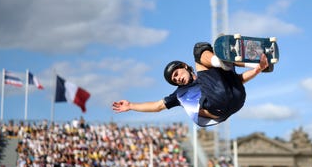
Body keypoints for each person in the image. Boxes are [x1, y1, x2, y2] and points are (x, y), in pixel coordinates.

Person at [112, 42, 269, 126]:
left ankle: (240, 63)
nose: (177, 79)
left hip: (237, 98)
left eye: (177, 74)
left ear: (184, 66)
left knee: (221, 71)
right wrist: (131, 105)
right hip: (217, 105)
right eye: (174, 80)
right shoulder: (180, 94)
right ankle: (222, 61)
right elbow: (157, 106)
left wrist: (258, 70)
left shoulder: (210, 76)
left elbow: (238, 81)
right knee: (199, 49)